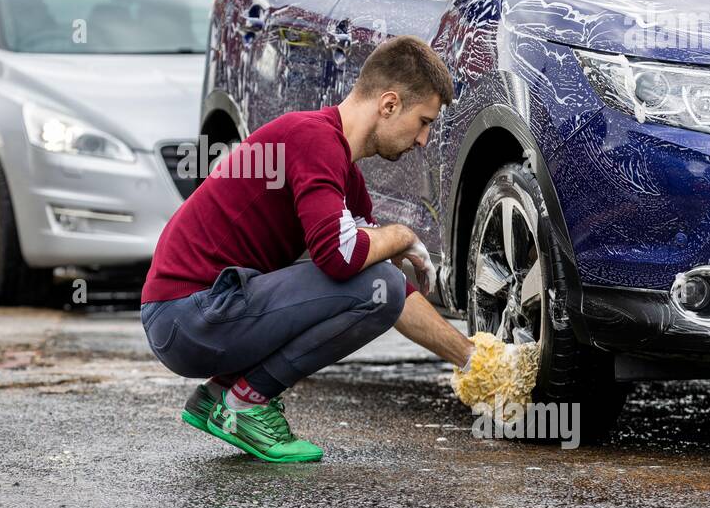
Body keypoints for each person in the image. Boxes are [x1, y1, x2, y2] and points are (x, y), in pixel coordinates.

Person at [141, 35, 498, 463]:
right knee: (373, 279)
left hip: (195, 315)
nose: (423, 139)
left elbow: (391, 294)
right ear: (388, 105)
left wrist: (475, 361)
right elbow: (340, 257)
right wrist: (400, 236)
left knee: (380, 284)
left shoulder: (339, 166)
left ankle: (221, 394)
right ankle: (245, 402)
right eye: (424, 121)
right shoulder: (313, 140)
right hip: (187, 315)